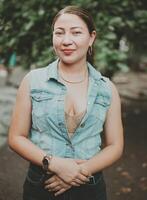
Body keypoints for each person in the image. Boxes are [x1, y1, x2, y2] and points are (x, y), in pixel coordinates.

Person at [8, 5, 124, 200]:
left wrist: (80, 171)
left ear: (91, 38)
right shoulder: (33, 81)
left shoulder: (107, 88)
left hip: (90, 186)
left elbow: (115, 145)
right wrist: (55, 164)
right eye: (59, 33)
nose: (66, 41)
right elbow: (16, 137)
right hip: (41, 184)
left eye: (76, 32)